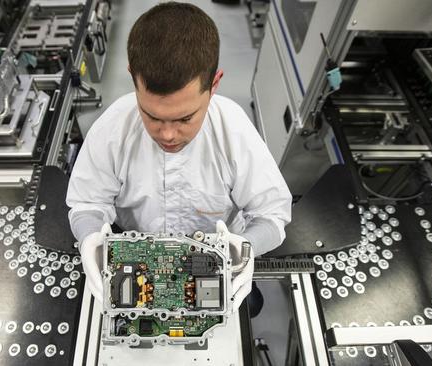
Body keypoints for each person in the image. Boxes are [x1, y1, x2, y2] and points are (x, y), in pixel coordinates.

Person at [66, 2, 292, 310]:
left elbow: (271, 214)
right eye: (152, 116)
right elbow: (88, 203)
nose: (168, 135)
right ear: (133, 78)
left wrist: (246, 247)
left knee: (247, 309)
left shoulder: (234, 130)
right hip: (136, 260)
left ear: (214, 84)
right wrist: (91, 239)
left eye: (185, 118)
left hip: (217, 259)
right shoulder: (112, 128)